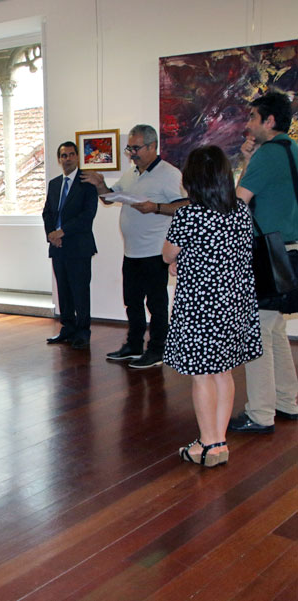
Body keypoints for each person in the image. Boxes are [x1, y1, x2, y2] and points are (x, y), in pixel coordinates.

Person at [163, 146, 262, 466]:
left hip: (201, 308)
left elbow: (167, 254)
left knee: (203, 376)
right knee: (223, 373)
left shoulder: (188, 215)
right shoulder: (241, 211)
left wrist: (178, 261)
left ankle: (206, 444)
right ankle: (219, 442)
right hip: (234, 305)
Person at [81, 124, 187, 368]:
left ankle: (158, 349)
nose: (132, 153)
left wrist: (155, 207)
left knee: (156, 304)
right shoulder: (132, 173)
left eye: (136, 148)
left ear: (152, 146)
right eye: (129, 148)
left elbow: (184, 205)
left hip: (155, 251)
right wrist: (100, 186)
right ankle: (134, 345)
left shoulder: (169, 174)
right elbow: (110, 198)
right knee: (133, 301)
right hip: (132, 252)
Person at [229, 92, 298, 433]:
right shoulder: (292, 148)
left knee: (257, 333)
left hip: (268, 254)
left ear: (269, 121)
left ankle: (260, 414)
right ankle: (287, 401)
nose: (248, 123)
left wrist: (246, 164)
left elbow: (238, 202)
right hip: (290, 251)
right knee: (275, 329)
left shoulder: (268, 154)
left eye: (253, 117)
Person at [42, 141, 98, 349]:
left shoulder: (87, 183)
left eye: (72, 154)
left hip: (79, 246)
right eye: (64, 155)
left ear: (77, 157)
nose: (68, 159)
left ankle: (83, 332)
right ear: (59, 159)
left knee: (80, 291)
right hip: (57, 247)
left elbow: (87, 216)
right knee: (63, 290)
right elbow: (47, 212)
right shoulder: (54, 184)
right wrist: (51, 235)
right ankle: (67, 328)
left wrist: (62, 232)